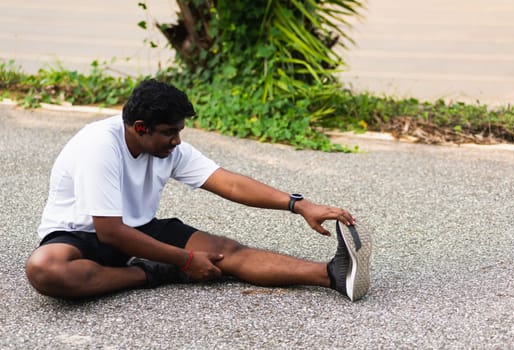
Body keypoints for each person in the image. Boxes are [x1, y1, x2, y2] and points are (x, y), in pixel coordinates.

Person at [25, 79, 371, 301]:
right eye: (170, 133)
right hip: (79, 236)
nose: (177, 141)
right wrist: (184, 260)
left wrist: (299, 205)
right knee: (45, 270)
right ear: (140, 128)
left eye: (180, 131)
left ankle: (333, 275)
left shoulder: (166, 147)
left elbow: (229, 182)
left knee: (226, 251)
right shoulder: (99, 146)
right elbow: (109, 231)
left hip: (140, 229)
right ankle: (148, 271)